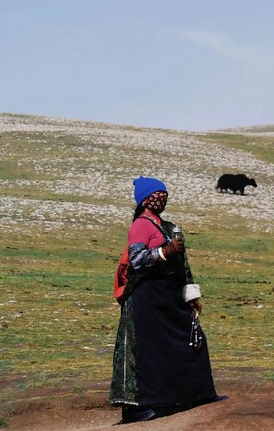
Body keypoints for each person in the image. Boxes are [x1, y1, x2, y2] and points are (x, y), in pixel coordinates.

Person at [110, 176, 218, 423]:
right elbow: (136, 260)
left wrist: (190, 295)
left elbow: (183, 265)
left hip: (169, 297)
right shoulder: (140, 225)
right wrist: (163, 252)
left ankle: (195, 394)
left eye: (163, 194)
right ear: (145, 200)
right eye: (155, 195)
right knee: (147, 351)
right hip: (146, 298)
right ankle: (135, 407)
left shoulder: (168, 226)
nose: (160, 198)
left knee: (191, 341)